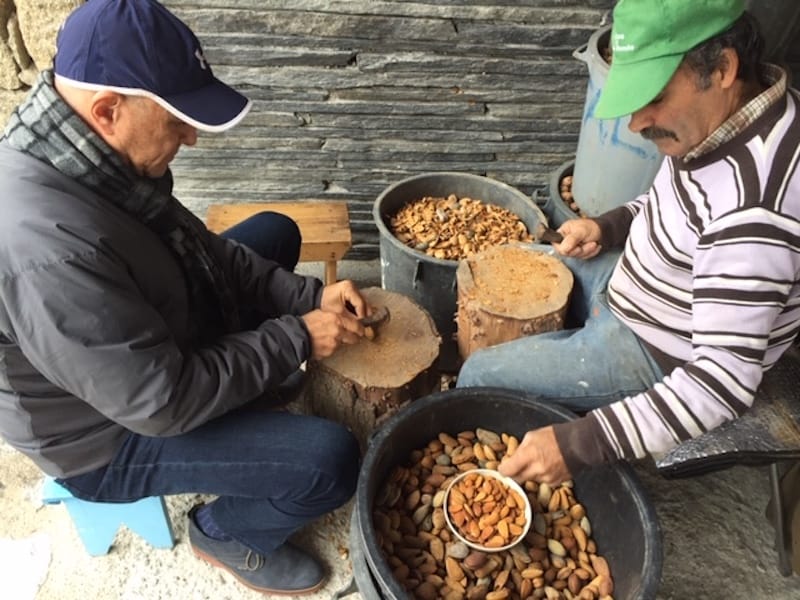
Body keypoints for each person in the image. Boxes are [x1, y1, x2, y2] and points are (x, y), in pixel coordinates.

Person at [0, 0, 370, 595]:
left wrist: (311, 298)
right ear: (108, 111)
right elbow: (163, 402)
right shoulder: (45, 247)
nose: (192, 138)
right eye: (175, 120)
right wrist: (295, 337)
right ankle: (225, 533)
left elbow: (207, 250)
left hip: (140, 339)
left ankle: (253, 397)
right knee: (331, 461)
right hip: (105, 436)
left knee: (275, 231)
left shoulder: (87, 157)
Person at [457, 0, 800, 487]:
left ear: (723, 67)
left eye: (654, 96)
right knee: (505, 270)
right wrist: (609, 227)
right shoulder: (727, 119)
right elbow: (678, 204)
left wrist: (581, 443)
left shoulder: (755, 213)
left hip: (659, 348)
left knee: (476, 378)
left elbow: (721, 384)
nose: (637, 123)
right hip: (637, 277)